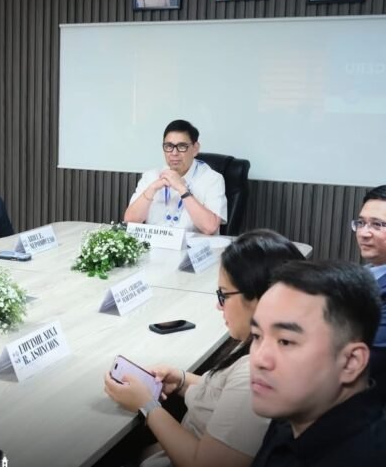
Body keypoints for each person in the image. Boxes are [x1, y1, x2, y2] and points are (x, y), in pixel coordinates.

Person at [103, 230, 304, 467]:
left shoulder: (258, 370)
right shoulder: (257, 348)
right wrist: (180, 381)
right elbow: (225, 397)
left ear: (260, 297)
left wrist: (146, 405)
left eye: (224, 295)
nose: (218, 306)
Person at [250, 261, 386, 466]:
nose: (259, 359)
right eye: (256, 336)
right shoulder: (294, 410)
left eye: (285, 341)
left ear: (351, 362)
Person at [123, 119, 226, 235]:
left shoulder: (212, 179)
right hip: (154, 248)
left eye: (182, 146)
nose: (174, 153)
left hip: (192, 250)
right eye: (169, 146)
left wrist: (182, 189)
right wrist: (152, 189)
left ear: (195, 148)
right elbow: (129, 220)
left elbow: (210, 227)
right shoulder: (151, 176)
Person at [351, 184, 386, 395]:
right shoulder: (370, 271)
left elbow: (369, 360)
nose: (364, 233)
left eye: (377, 225)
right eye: (361, 223)